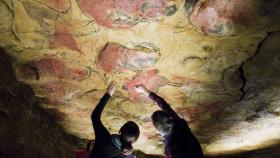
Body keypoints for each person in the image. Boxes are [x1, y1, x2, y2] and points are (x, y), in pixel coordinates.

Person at [135, 85, 204, 158]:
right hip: (196, 151)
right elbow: (163, 104)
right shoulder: (178, 121)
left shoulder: (170, 148)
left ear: (158, 131)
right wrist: (146, 91)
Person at [90, 81, 140, 158]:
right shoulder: (131, 156)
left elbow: (95, 116)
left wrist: (108, 94)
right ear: (134, 141)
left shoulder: (104, 140)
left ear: (119, 132)